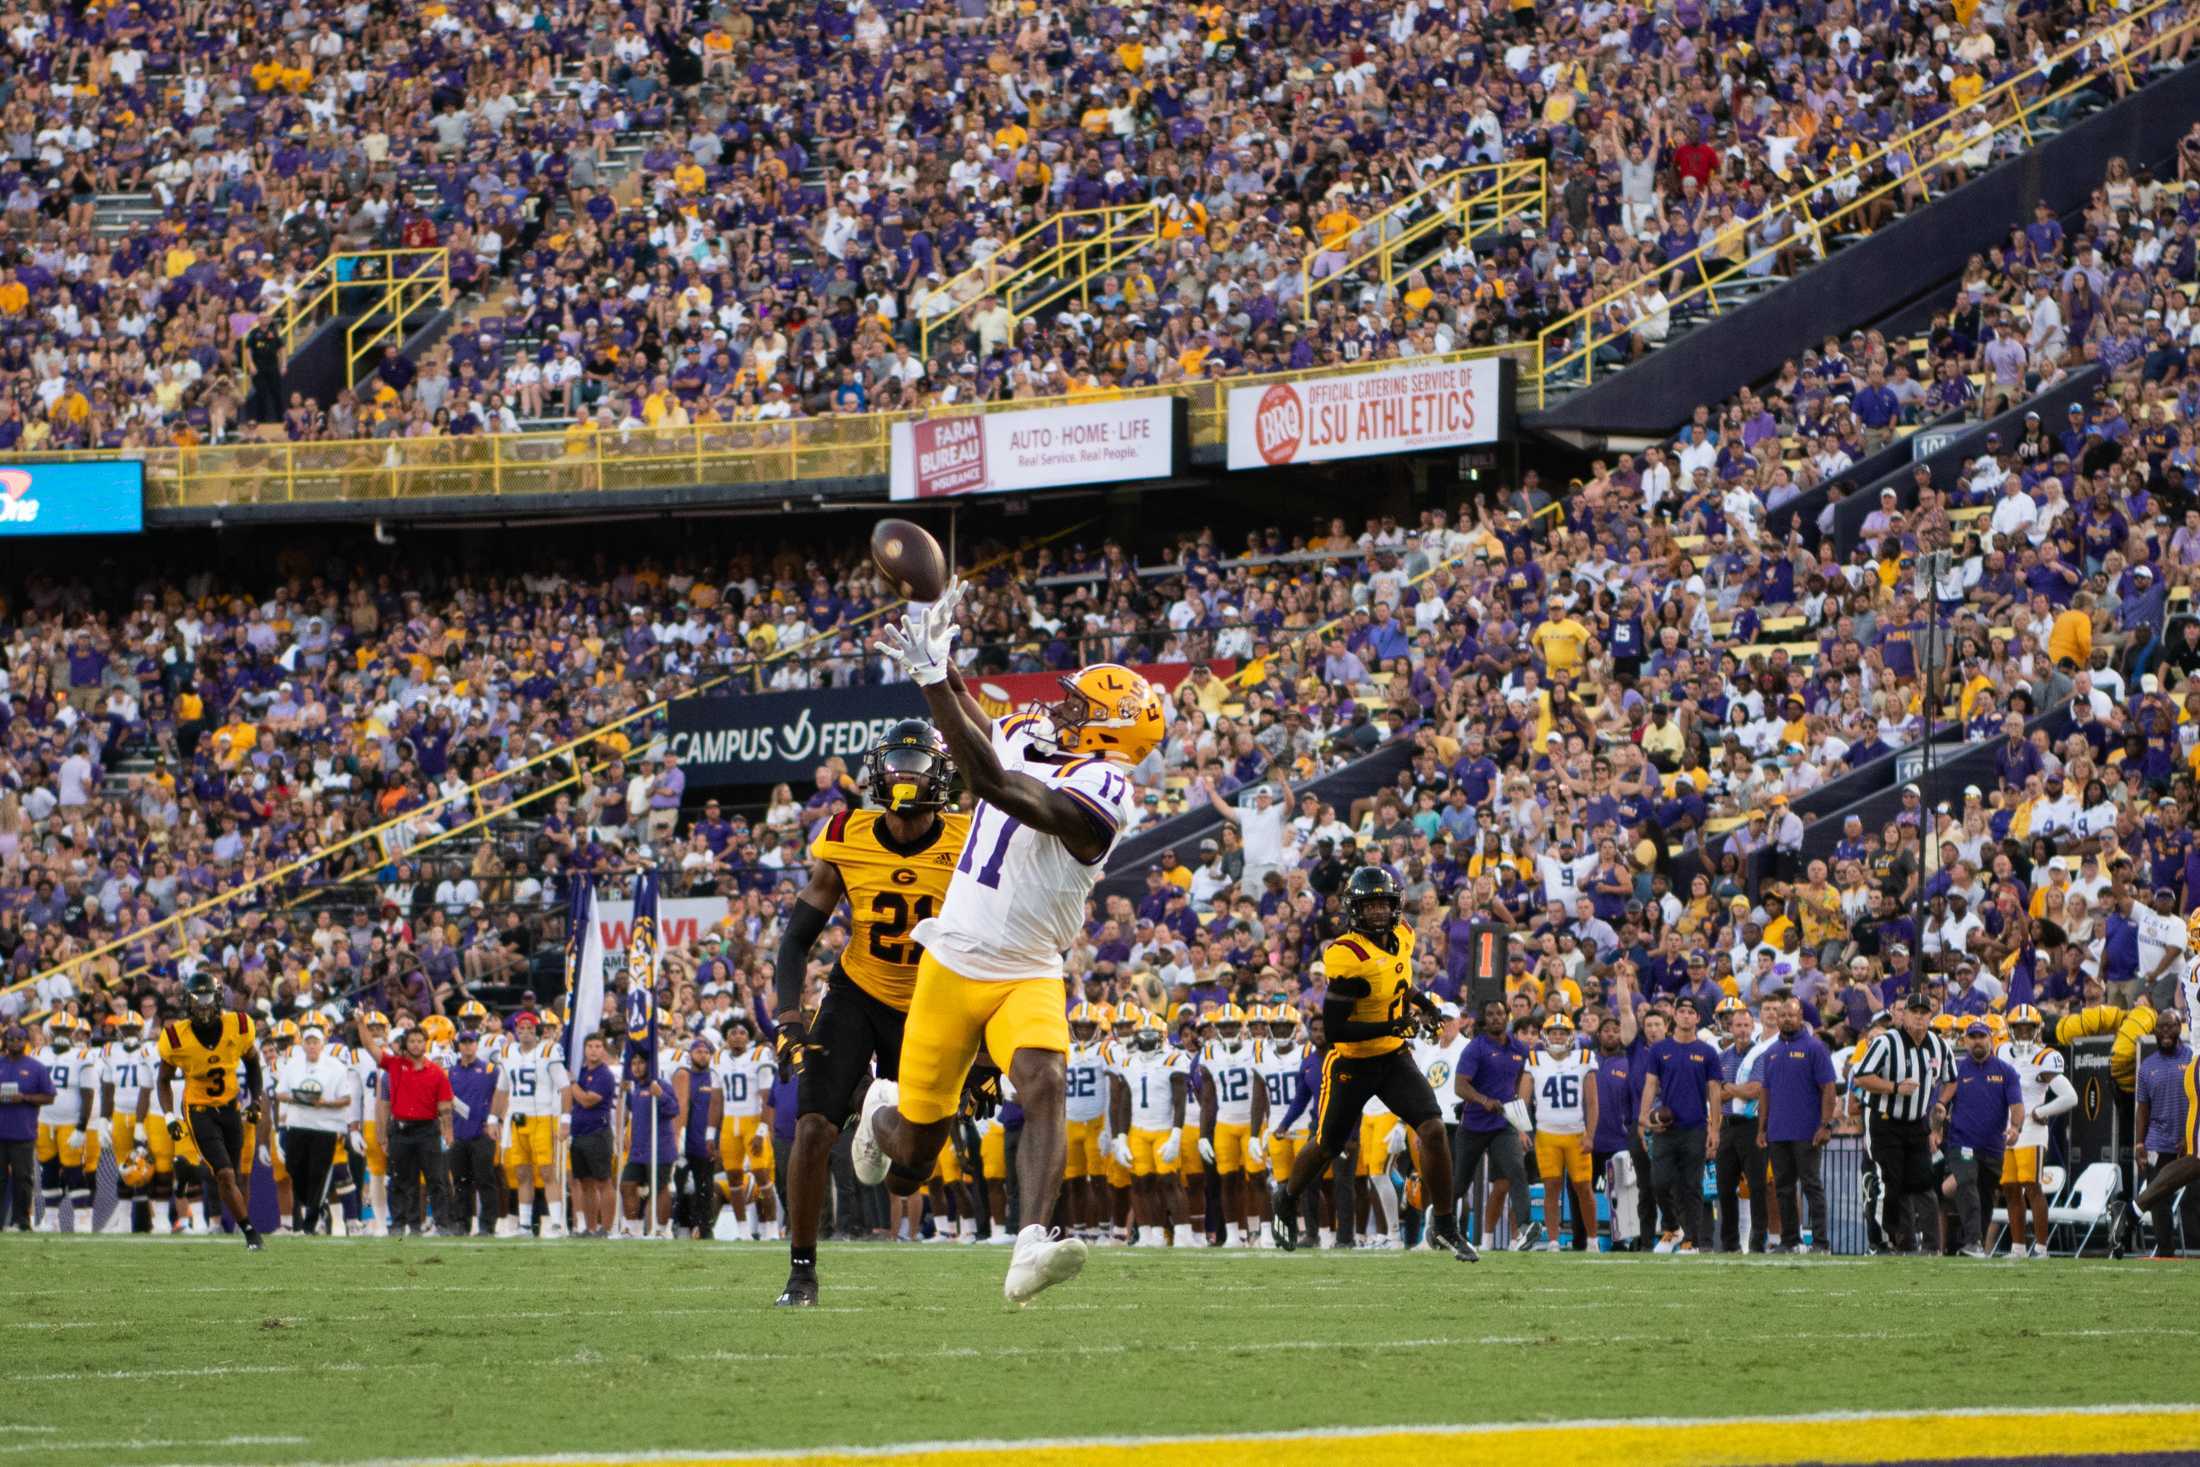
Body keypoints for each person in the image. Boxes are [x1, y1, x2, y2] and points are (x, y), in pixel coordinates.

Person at [856, 588, 1160, 1304]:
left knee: (1045, 1080)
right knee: (915, 1152)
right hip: (953, 959)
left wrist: (936, 679)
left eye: (1081, 708)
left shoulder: (1105, 789)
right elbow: (981, 733)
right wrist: (945, 670)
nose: (1061, 708)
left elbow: (991, 782)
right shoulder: (1031, 732)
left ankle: (1030, 1243)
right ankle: (879, 1110)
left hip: (1027, 968)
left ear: (1110, 736)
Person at [772, 719, 965, 1305]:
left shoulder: (969, 840)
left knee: (911, 1168)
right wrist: (788, 1017)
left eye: (919, 763)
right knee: (811, 1127)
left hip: (929, 1004)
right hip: (857, 991)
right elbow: (796, 937)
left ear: (943, 776)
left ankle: (877, 1115)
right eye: (897, 762)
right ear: (877, 772)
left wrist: (981, 1049)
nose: (906, 774)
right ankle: (801, 1273)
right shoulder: (845, 834)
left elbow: (998, 941)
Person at [1265, 866, 1478, 1260]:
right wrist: (1394, 1022)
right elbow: (1335, 1029)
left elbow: (1397, 982)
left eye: (1384, 903)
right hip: (1351, 1063)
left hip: (1392, 1055)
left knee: (1432, 1128)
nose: (1379, 912)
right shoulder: (1347, 954)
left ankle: (1446, 1225)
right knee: (1327, 1146)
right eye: (1370, 905)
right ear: (1354, 910)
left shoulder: (1403, 935)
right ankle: (1287, 1196)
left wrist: (1423, 1003)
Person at [155, 975, 271, 1251]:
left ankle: (191, 1169)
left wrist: (256, 1099)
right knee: (225, 1175)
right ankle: (251, 1233)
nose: (203, 1006)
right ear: (187, 1002)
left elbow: (253, 1064)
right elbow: (163, 1080)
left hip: (230, 1106)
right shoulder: (175, 1036)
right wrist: (170, 1117)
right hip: (198, 1109)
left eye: (207, 998)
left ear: (218, 998)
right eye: (197, 1000)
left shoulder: (239, 1025)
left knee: (236, 1174)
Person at [1851, 994, 1956, 1254]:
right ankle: (1884, 1242)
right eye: (1914, 1012)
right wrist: (1895, 1087)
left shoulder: (1939, 1045)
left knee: (1923, 1184)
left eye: (1924, 1012)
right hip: (1885, 1121)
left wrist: (1941, 1103)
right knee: (1889, 1184)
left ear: (1931, 1016)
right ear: (1904, 1015)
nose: (1919, 1017)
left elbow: (1951, 1079)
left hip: (1916, 1123)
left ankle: (1931, 1248)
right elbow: (1862, 1077)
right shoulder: (1886, 1042)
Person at [1637, 995, 1723, 1254]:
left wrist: (1715, 1129)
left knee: (1691, 1186)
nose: (1686, 1015)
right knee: (1659, 1182)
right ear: (1673, 1016)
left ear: (1698, 1018)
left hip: (1695, 1127)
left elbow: (1715, 1092)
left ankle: (1692, 1241)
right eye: (1682, 1011)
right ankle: (1673, 1228)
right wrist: (1643, 1118)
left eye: (1691, 1012)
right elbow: (1650, 1085)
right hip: (1666, 1129)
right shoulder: (1659, 1050)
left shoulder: (1707, 1052)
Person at [1755, 996, 1836, 1253]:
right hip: (1778, 1132)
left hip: (1807, 1132)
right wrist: (1761, 1129)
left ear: (1801, 1017)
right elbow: (1765, 1093)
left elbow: (1829, 1089)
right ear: (1776, 1019)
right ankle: (1790, 1241)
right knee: (1783, 1188)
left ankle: (1821, 1244)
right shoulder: (1770, 1053)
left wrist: (1825, 1125)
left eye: (1791, 1014)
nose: (1787, 1019)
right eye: (1782, 1015)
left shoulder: (1815, 1048)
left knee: (1812, 1186)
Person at [1454, 997, 1532, 1250]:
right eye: (1490, 1015)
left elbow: (1516, 1083)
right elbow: (1460, 1086)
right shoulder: (1475, 1048)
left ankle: (1525, 1228)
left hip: (1503, 1124)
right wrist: (1483, 1100)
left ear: (1508, 1016)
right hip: (1474, 1124)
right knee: (1459, 1183)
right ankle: (1439, 1224)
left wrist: (1517, 1119)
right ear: (1484, 1020)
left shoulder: (1520, 1050)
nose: (1496, 1018)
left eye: (1500, 1013)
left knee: (1516, 1171)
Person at [1944, 1020, 2025, 1259]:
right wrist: (1937, 1128)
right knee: (1966, 1181)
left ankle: (1975, 1246)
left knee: (1987, 1194)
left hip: (1993, 1146)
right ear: (1966, 1041)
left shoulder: (2006, 1071)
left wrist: (2015, 1128)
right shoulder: (1956, 1071)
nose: (1977, 1041)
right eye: (1973, 1037)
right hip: (1962, 1143)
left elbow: (2017, 1105)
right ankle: (1973, 1241)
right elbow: (1942, 1102)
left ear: (1990, 1039)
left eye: (1982, 1036)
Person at [2000, 1005, 2075, 1259]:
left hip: (2031, 1130)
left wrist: (2040, 1113)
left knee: (2032, 1187)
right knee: (2010, 1188)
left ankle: (2042, 1248)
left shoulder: (2045, 1056)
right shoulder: (2001, 1051)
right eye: (2018, 1028)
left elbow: (2070, 1097)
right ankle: (2018, 1247)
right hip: (2007, 1128)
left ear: (2037, 1029)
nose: (2022, 1033)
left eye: (2028, 1028)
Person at [2123, 1009, 2197, 1258]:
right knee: (2157, 1198)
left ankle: (2196, 1250)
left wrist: (2192, 1135)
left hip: (2188, 1143)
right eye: (2161, 1027)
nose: (2165, 1031)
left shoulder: (2192, 1059)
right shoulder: (2147, 1067)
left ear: (2181, 1027)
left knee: (2193, 1198)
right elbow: (2142, 1109)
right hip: (2158, 1141)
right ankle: (2165, 1251)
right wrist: (2139, 1144)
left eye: (2171, 1026)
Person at [1521, 1012, 1598, 1252]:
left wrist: (1590, 1135)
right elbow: (1522, 1100)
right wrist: (1522, 1131)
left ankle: (1593, 1241)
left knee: (1584, 1188)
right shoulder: (1534, 1060)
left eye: (1561, 1032)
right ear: (1545, 1035)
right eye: (1553, 1032)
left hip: (1576, 1132)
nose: (1557, 1036)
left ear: (1570, 1035)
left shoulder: (1584, 1057)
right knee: (1551, 1188)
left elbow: (1592, 1102)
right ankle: (1553, 1240)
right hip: (1546, 1134)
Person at [1197, 1003, 1269, 1248]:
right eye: (1223, 1026)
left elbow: (1263, 1091)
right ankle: (1233, 1234)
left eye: (1232, 1025)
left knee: (1258, 1179)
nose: (1228, 1030)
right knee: (1227, 1180)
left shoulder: (1258, 1048)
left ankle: (1264, 1232)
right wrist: (1204, 1135)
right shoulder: (1209, 1052)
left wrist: (1261, 1129)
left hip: (1252, 1123)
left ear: (1242, 1026)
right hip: (1224, 1124)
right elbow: (1208, 1098)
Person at [275, 1024, 355, 1236]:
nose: (311, 1046)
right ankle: (315, 1213)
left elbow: (346, 1098)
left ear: (322, 1044)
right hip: (298, 1123)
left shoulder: (335, 1067)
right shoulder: (293, 1065)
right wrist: (296, 1097)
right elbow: (280, 1093)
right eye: (308, 1042)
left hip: (325, 1127)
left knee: (318, 1174)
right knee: (295, 1169)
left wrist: (324, 1103)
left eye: (315, 1042)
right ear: (302, 1044)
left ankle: (310, 1223)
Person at [494, 1011, 570, 1237]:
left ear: (536, 1029)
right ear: (516, 1030)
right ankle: (525, 1225)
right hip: (517, 1118)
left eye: (530, 1027)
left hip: (543, 1116)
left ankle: (557, 1224)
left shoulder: (548, 1050)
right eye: (521, 1027)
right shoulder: (507, 1052)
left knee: (547, 1172)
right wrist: (493, 1117)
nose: (525, 1031)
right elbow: (501, 1088)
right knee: (521, 1173)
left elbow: (565, 1087)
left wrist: (565, 1119)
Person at [379, 1024, 454, 1237]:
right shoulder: (395, 1065)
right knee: (400, 1180)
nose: (416, 1044)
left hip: (427, 1129)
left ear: (425, 1043)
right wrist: (360, 1025)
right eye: (411, 1041)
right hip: (401, 1128)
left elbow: (445, 1107)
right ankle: (402, 1224)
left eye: (419, 1041)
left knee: (436, 1179)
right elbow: (373, 1050)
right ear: (406, 1044)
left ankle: (442, 1224)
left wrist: (448, 1132)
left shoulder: (437, 1072)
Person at [33, 1016, 95, 1231]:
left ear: (72, 1032)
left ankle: (82, 1217)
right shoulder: (39, 1054)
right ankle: (50, 1219)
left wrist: (81, 1127)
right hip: (43, 1121)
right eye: (57, 1030)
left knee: (73, 1170)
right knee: (48, 1170)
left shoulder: (81, 1056)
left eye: (65, 1030)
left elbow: (88, 1094)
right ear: (51, 1031)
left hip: (69, 1122)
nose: (61, 1034)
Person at [445, 1029, 501, 1236]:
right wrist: (447, 1129)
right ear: (458, 1046)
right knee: (460, 1182)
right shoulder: (451, 1072)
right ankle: (462, 1222)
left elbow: (501, 1095)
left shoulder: (490, 1070)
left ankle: (488, 1225)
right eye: (464, 1042)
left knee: (485, 1180)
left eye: (471, 1042)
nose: (467, 1046)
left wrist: (496, 1120)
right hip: (458, 1133)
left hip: (482, 1133)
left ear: (477, 1044)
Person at [621, 1049, 680, 1236]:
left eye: (641, 1062)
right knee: (627, 1184)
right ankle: (632, 1228)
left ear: (650, 1064)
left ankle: (662, 1230)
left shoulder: (661, 1085)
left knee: (659, 1188)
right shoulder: (635, 1088)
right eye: (634, 1063)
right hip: (638, 1149)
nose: (637, 1067)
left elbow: (673, 1109)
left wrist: (660, 1095)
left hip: (660, 1148)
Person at [0, 1025, 54, 1230]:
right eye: (11, 1039)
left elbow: (49, 1096)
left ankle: (21, 1221)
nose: (15, 1043)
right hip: (0, 1131)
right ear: (5, 1041)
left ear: (25, 1041)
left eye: (19, 1039)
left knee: (23, 1178)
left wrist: (24, 1097)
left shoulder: (36, 1067)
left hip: (23, 1132)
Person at [565, 1033, 619, 1236]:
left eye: (598, 1046)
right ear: (584, 1049)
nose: (594, 1050)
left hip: (597, 1132)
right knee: (585, 1182)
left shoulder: (604, 1075)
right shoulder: (581, 1072)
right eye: (590, 1046)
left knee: (603, 1181)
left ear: (604, 1049)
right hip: (578, 1133)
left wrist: (572, 1084)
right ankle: (590, 1227)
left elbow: (588, 1100)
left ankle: (606, 1227)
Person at [672, 1036, 723, 1239]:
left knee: (705, 1189)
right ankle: (681, 1227)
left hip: (706, 1145)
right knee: (679, 1186)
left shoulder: (714, 1078)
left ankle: (704, 1229)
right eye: (698, 1051)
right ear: (690, 1054)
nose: (702, 1055)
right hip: (685, 1142)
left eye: (706, 1052)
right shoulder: (683, 1077)